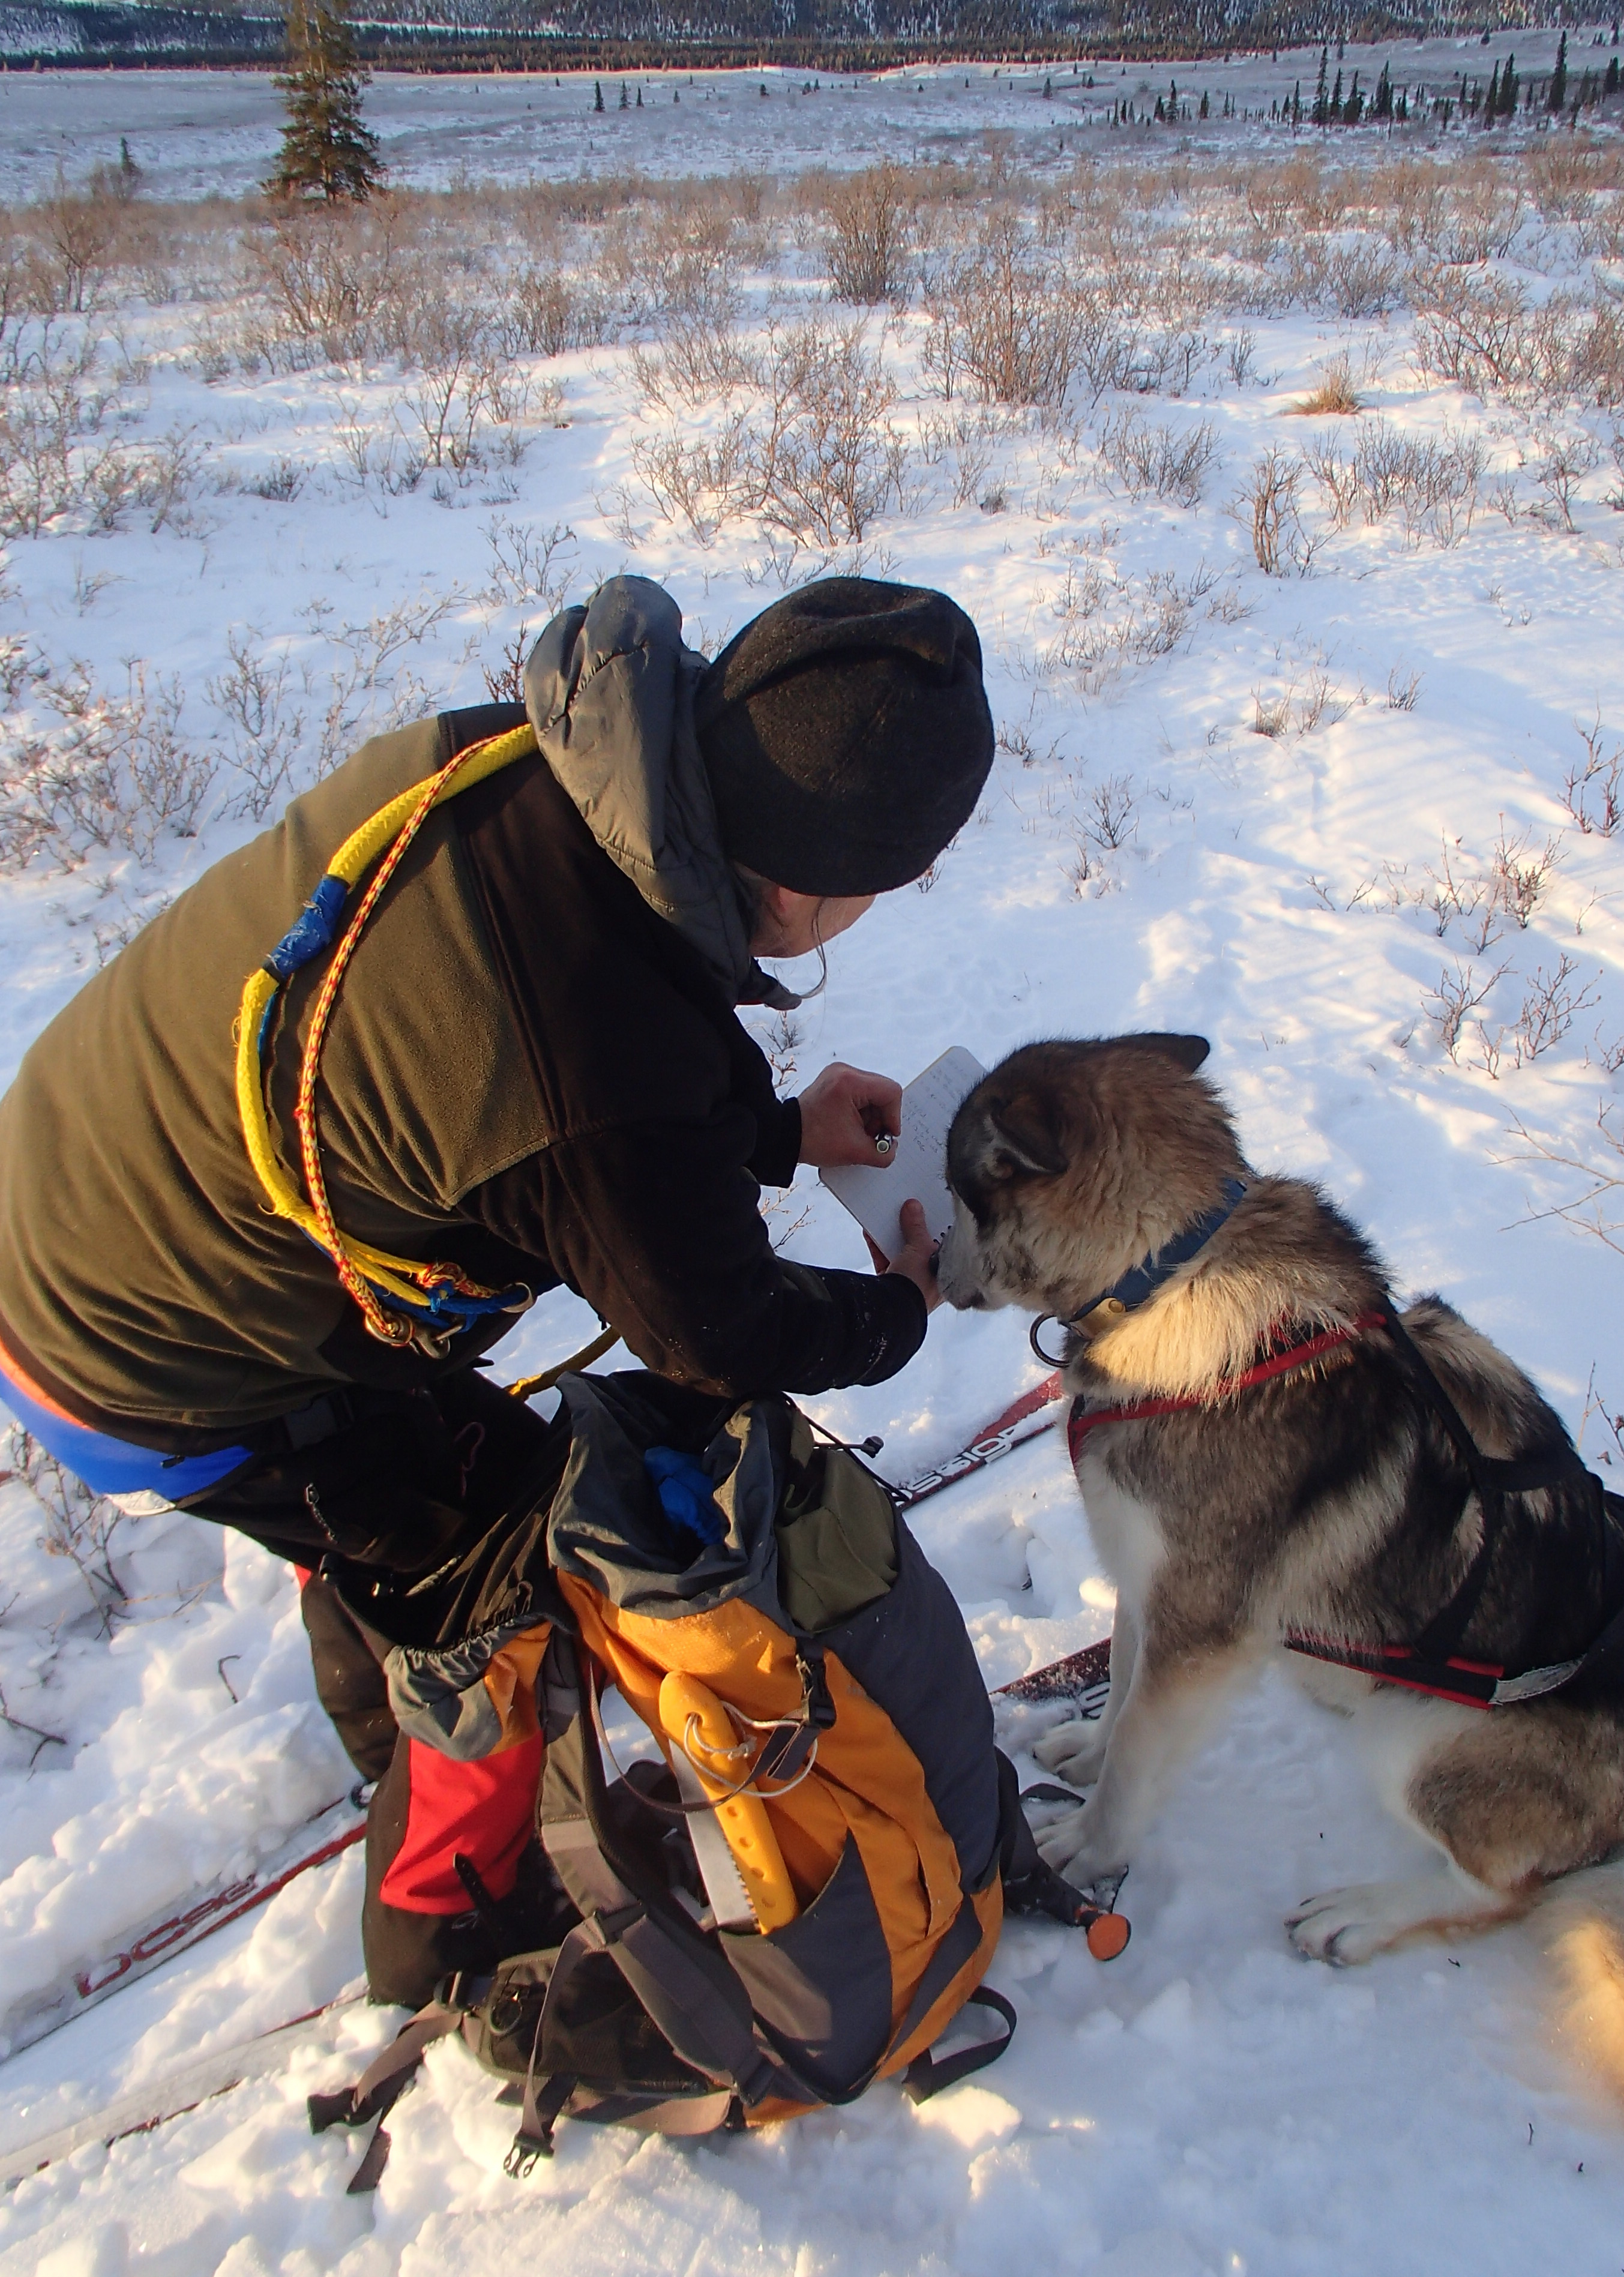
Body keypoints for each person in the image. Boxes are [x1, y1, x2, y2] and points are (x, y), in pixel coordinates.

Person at [0, 574, 994, 1977]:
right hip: (147, 1348)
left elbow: (520, 1093)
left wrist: (768, 1133)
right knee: (503, 1588)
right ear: (815, 881)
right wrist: (897, 1308)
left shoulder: (552, 755)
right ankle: (454, 1925)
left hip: (80, 1169)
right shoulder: (598, 1051)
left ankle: (386, 1682)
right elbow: (710, 1324)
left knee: (415, 1500)